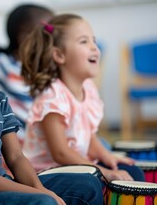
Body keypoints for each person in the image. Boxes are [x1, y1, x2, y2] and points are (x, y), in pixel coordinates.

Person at [0, 0, 104, 205]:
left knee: (88, 184)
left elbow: (16, 157)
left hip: (3, 183)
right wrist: (37, 195)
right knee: (43, 203)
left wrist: (39, 188)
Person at [20, 13, 145, 183]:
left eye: (93, 40)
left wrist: (107, 158)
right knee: (92, 183)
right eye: (84, 41)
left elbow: (90, 138)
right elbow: (60, 153)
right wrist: (102, 171)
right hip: (49, 174)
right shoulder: (52, 97)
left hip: (77, 166)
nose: (94, 47)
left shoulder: (89, 89)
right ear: (59, 55)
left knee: (132, 172)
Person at [0, 4, 54, 134]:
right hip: (19, 145)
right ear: (25, 38)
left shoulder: (46, 69)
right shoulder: (4, 66)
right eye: (49, 32)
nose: (55, 40)